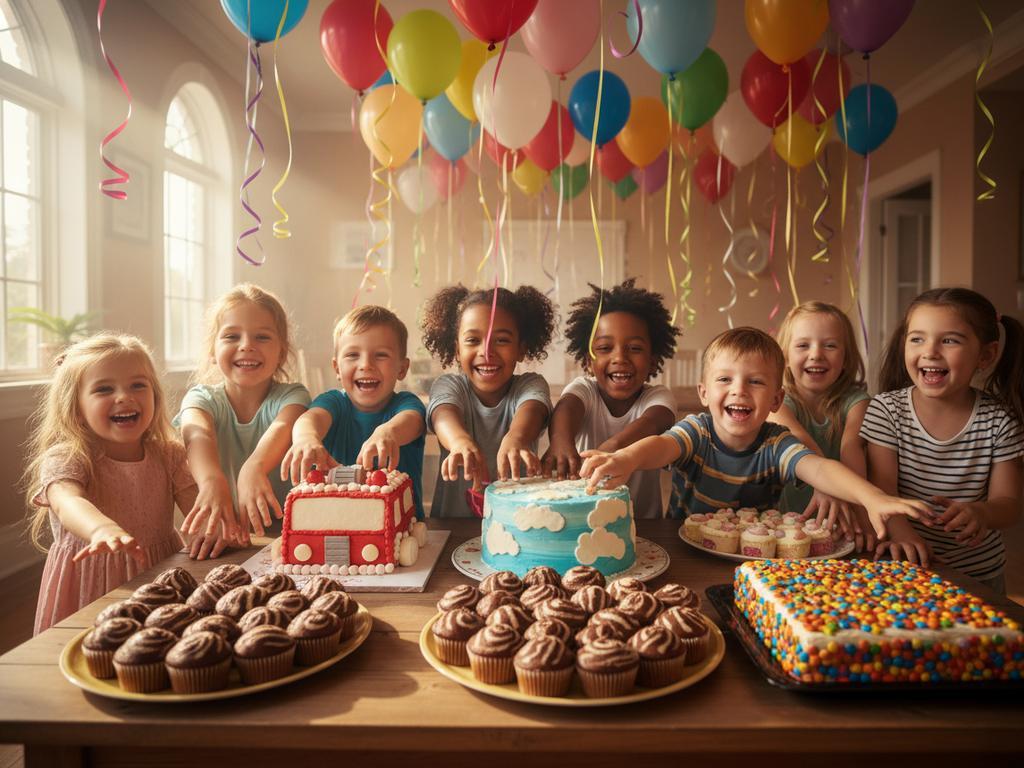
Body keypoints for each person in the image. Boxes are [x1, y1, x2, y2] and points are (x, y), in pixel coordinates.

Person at [579, 327, 932, 538]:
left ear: (777, 399)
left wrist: (871, 497)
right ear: (704, 393)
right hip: (685, 547)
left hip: (756, 558)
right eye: (725, 380)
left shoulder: (775, 444)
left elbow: (820, 468)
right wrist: (625, 458)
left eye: (756, 382)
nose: (739, 391)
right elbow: (659, 446)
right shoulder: (697, 431)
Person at [25, 334, 199, 634]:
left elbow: (199, 510)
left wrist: (215, 525)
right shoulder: (68, 457)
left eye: (138, 385)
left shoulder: (169, 454)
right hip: (90, 583)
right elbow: (67, 501)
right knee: (91, 651)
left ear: (154, 395)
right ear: (76, 406)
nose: (124, 396)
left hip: (158, 571)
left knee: (154, 649)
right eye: (105, 389)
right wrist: (101, 530)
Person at [861, 288, 1023, 593]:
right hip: (905, 564)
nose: (930, 351)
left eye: (949, 340)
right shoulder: (886, 410)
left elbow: (1010, 504)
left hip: (979, 573)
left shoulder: (1000, 421)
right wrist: (904, 535)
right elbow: (883, 490)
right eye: (917, 338)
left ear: (985, 355)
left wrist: (983, 512)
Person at [176, 284, 310, 557]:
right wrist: (212, 480)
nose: (247, 345)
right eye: (231, 336)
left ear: (282, 352)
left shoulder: (293, 396)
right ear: (212, 351)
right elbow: (196, 434)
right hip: (226, 541)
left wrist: (254, 466)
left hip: (290, 541)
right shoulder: (200, 399)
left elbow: (284, 427)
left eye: (262, 337)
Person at [543, 279, 679, 518]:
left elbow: (655, 422)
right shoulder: (585, 389)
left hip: (645, 526)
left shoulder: (658, 396)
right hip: (583, 522)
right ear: (587, 361)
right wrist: (560, 441)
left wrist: (611, 450)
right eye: (605, 348)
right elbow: (567, 408)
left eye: (635, 349)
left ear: (653, 361)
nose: (620, 358)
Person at [422, 284, 555, 517]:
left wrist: (517, 439)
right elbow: (443, 414)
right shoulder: (449, 385)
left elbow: (533, 410)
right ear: (456, 350)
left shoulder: (530, 385)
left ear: (521, 349)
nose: (486, 351)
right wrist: (459, 442)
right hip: (453, 527)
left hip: (520, 528)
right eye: (473, 340)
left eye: (501, 340)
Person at [281, 305, 426, 516]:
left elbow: (411, 420)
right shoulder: (333, 402)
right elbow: (310, 419)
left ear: (402, 368)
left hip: (401, 534)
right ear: (337, 368)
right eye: (352, 355)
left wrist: (387, 433)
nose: (366, 365)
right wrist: (306, 439)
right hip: (328, 526)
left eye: (381, 355)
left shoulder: (406, 404)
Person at [772, 301, 873, 548]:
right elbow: (796, 437)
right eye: (803, 345)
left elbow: (852, 448)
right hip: (785, 524)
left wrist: (861, 513)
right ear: (785, 356)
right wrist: (824, 481)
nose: (816, 354)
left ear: (847, 358)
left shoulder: (857, 402)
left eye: (829, 345)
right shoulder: (778, 400)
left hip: (842, 520)